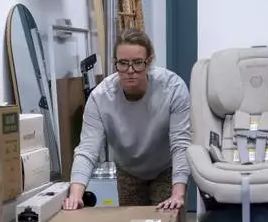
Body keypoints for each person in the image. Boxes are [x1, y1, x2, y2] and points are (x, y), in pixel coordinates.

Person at [63, 29, 191, 210]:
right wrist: (75, 196)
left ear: (149, 62)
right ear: (115, 63)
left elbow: (181, 144)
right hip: (128, 170)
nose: (130, 71)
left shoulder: (173, 88)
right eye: (123, 63)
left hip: (166, 169)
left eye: (138, 63)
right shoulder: (100, 97)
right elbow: (87, 149)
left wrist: (178, 194)